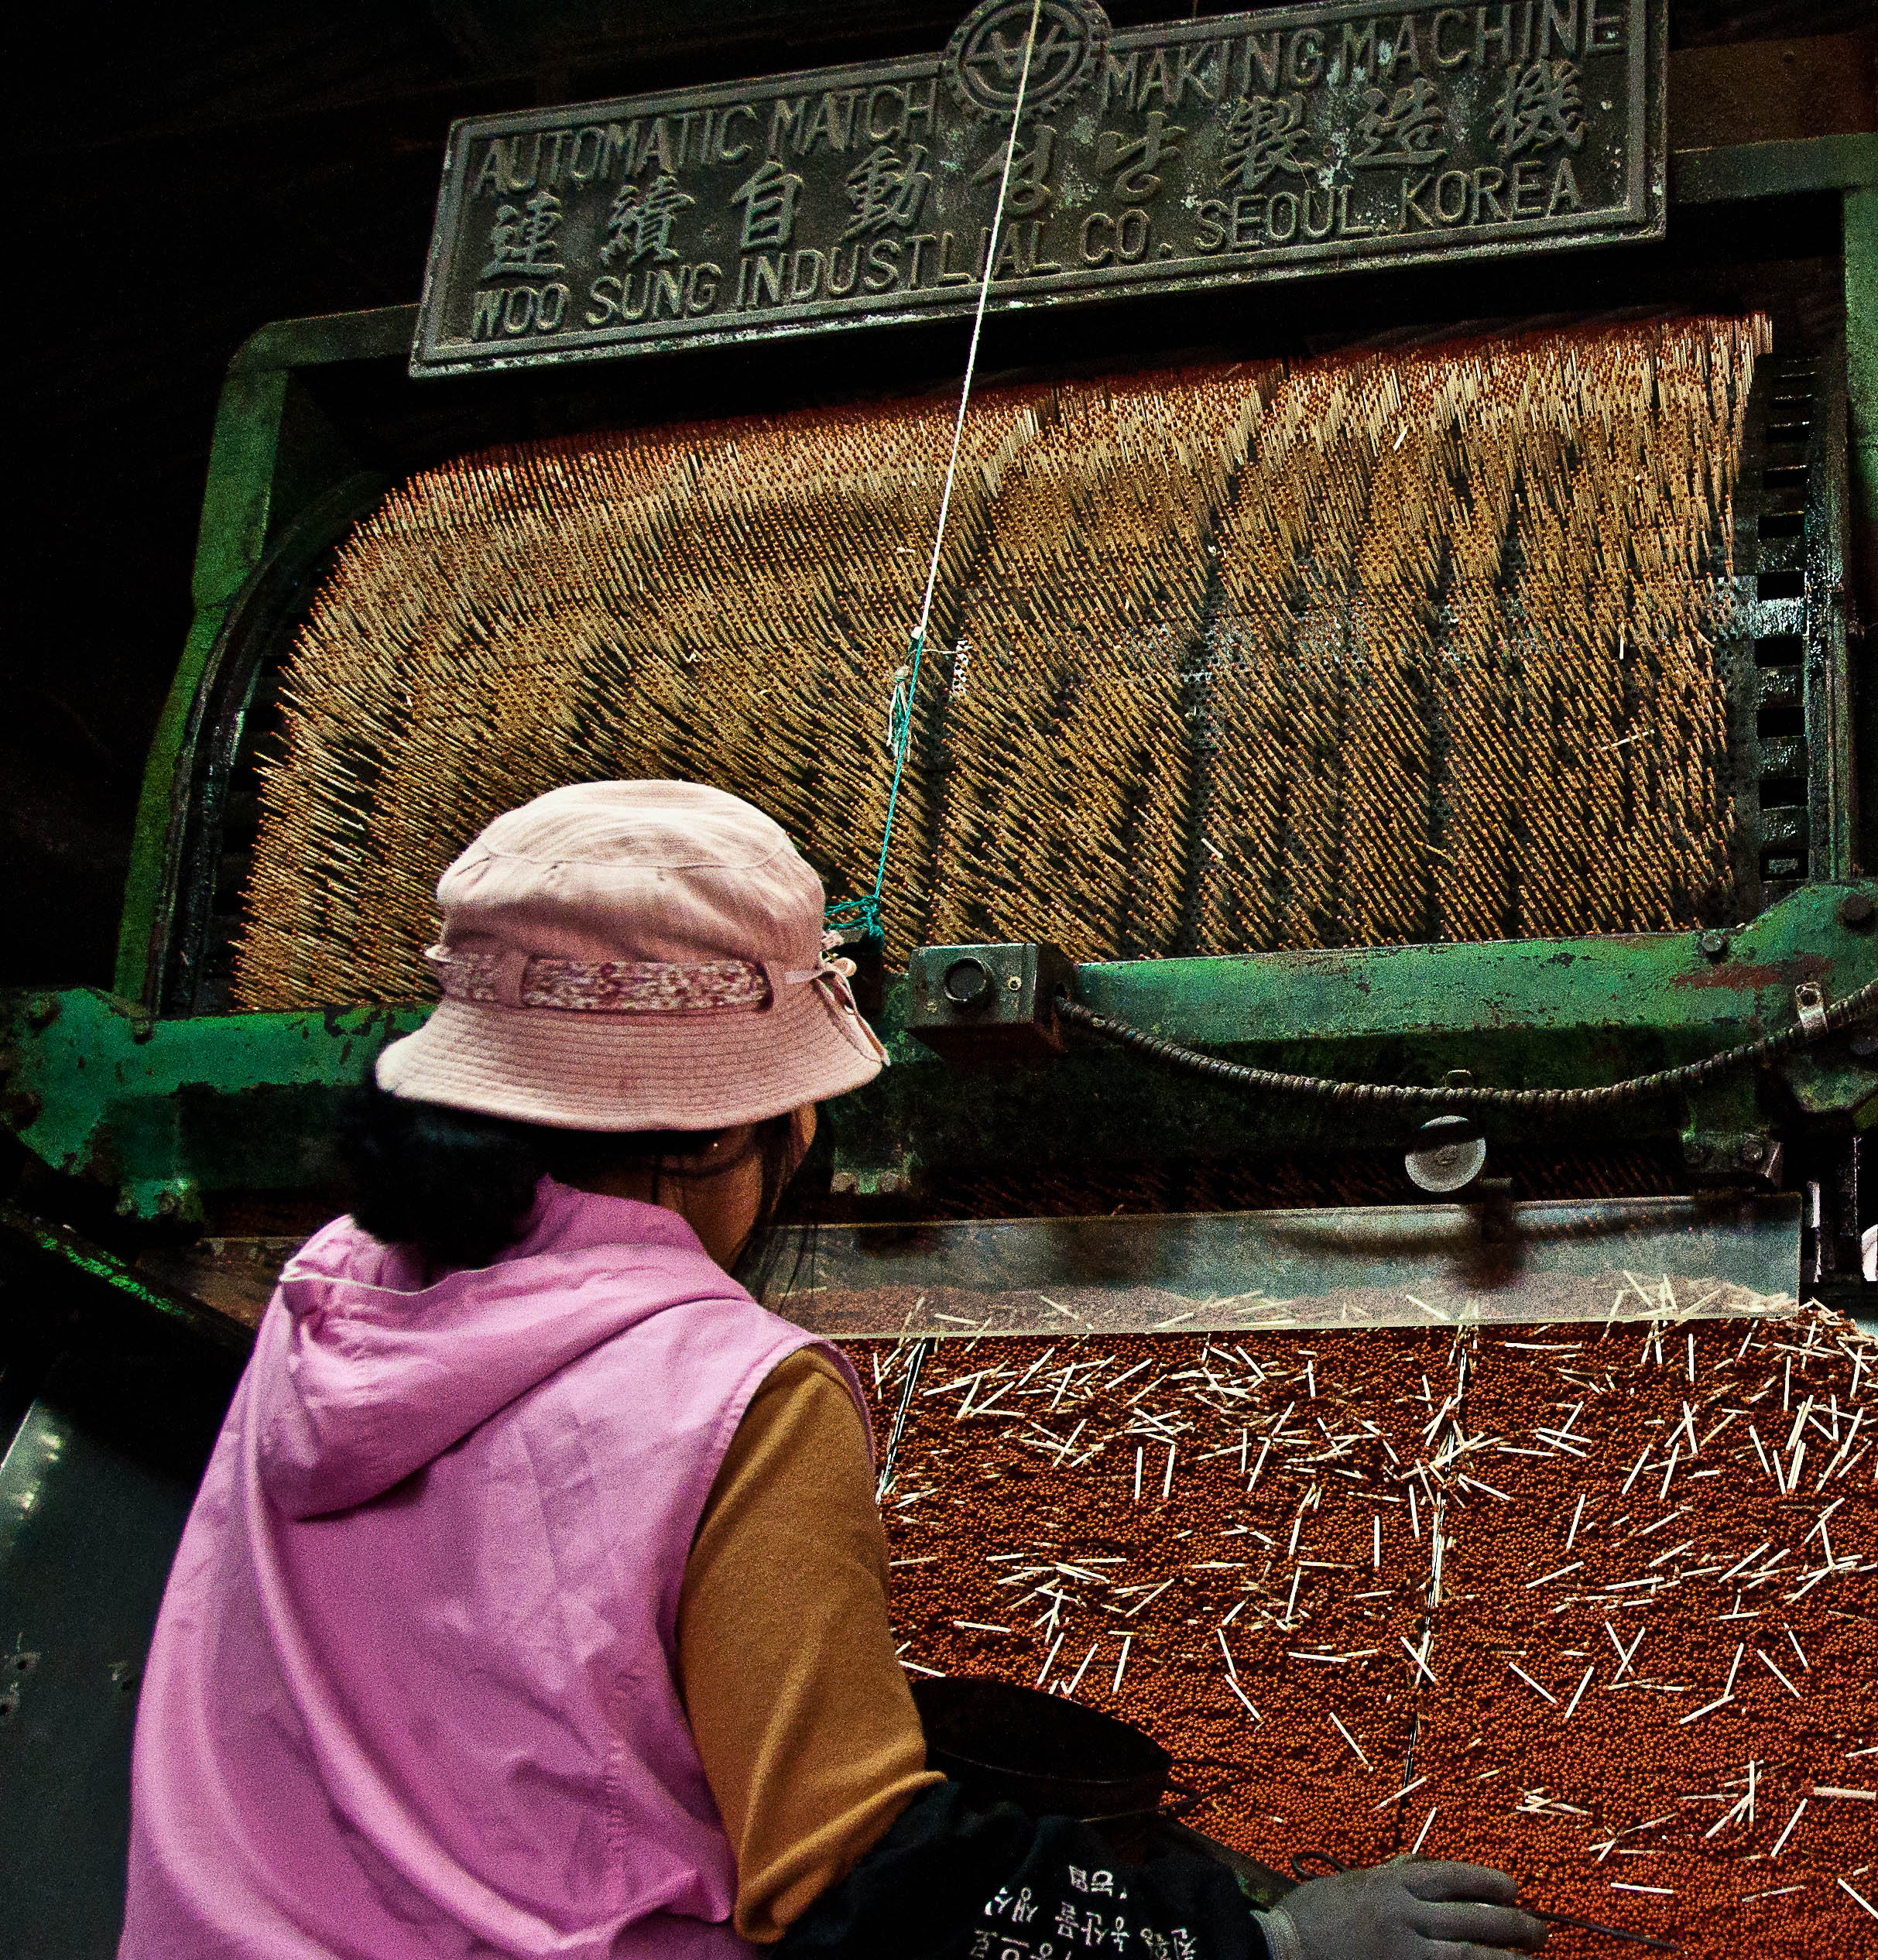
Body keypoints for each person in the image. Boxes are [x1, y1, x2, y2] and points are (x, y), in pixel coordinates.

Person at [123, 780, 1542, 1960]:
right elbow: (849, 1879)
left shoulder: (331, 1293)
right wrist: (1260, 1943)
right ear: (715, 1133)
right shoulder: (729, 1387)